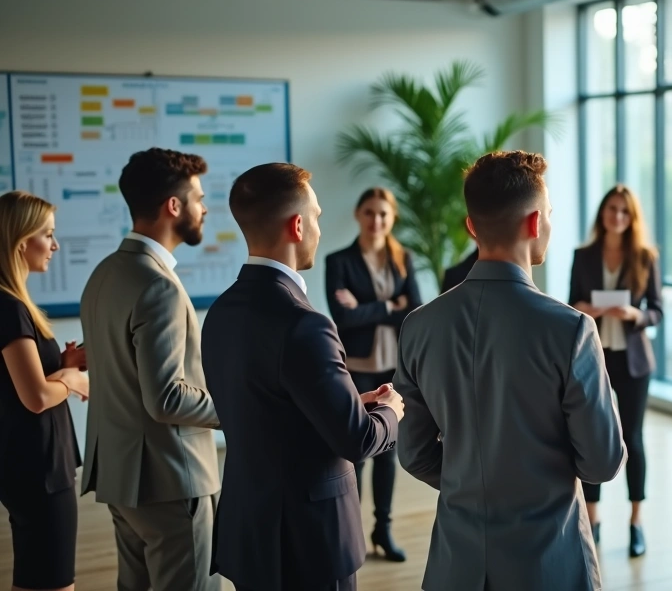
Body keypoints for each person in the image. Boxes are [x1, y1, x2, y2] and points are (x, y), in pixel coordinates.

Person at [395, 150, 625, 591]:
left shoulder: (419, 326)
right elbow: (602, 461)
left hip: (455, 565)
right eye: (551, 214)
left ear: (470, 226)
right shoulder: (571, 330)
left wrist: (473, 484)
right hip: (549, 561)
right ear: (536, 222)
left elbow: (414, 453)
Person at [201, 163, 404, 591]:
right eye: (316, 217)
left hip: (251, 529)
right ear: (297, 226)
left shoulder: (221, 312)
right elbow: (358, 440)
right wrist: (389, 412)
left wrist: (347, 401)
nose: (317, 227)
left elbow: (268, 407)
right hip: (308, 539)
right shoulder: (305, 324)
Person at [80, 148, 222, 591]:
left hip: (122, 477)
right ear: (173, 206)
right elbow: (167, 397)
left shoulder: (105, 273)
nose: (205, 208)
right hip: (171, 480)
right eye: (198, 198)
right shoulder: (158, 284)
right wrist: (239, 404)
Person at [324, 187, 422, 563]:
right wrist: (388, 304)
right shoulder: (339, 261)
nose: (376, 220)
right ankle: (352, 530)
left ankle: (384, 528)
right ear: (357, 214)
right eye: (369, 212)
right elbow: (342, 317)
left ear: (392, 217)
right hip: (358, 369)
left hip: (392, 368)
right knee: (357, 453)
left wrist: (369, 306)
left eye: (383, 213)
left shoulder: (403, 259)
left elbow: (414, 309)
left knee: (388, 453)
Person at [0, 191, 87, 591]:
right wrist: (70, 381)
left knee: (37, 579)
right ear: (21, 242)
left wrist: (63, 366)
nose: (54, 245)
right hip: (39, 471)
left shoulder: (14, 303)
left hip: (34, 466)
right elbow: (34, 396)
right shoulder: (9, 307)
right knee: (53, 583)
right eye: (47, 235)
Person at [569, 184, 662, 557]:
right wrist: (584, 307)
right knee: (593, 435)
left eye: (624, 211)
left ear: (632, 216)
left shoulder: (644, 257)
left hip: (634, 360)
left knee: (633, 438)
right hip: (595, 358)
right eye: (611, 209)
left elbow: (656, 309)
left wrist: (635, 314)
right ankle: (593, 519)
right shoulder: (583, 255)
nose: (617, 216)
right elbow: (570, 302)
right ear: (602, 213)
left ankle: (636, 521)